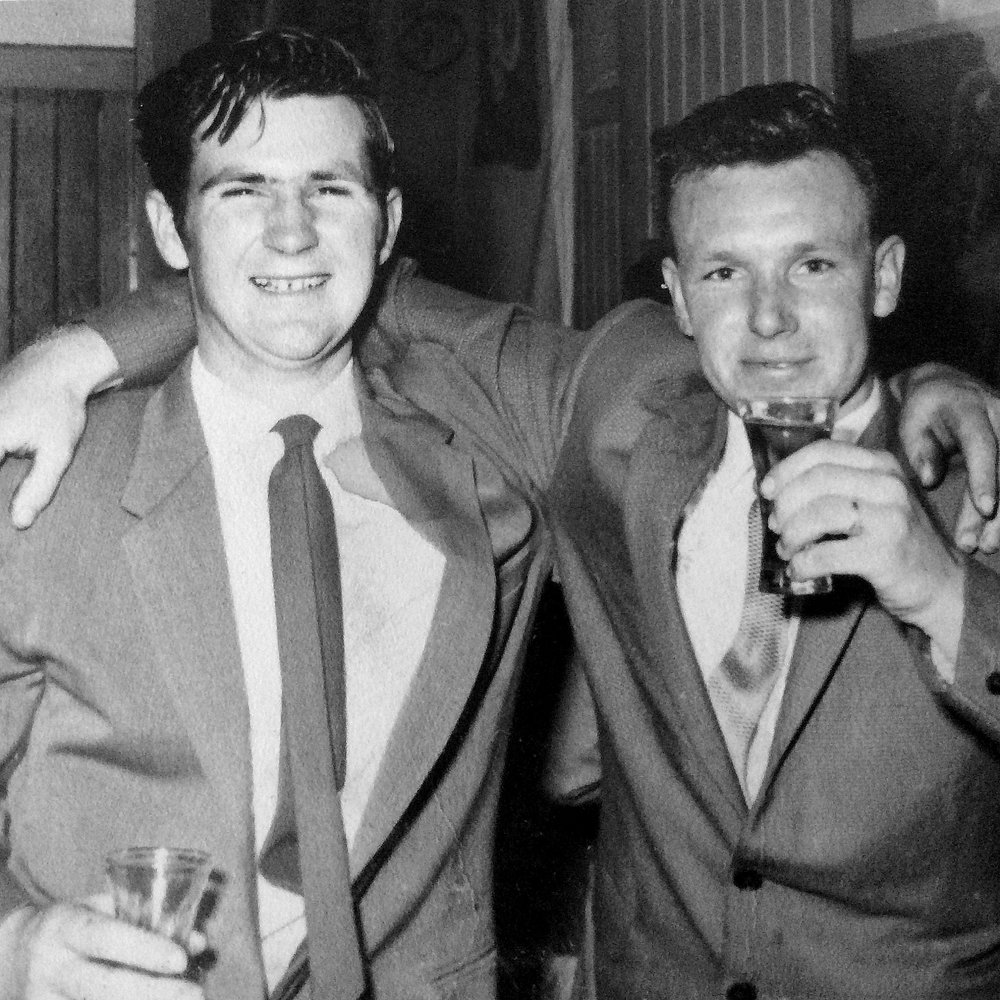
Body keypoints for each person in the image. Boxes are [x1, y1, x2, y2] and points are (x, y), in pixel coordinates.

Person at [4, 74, 1000, 1000]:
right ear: (678, 294)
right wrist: (79, 352)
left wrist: (942, 589)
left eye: (814, 264)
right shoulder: (609, 409)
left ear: (883, 276)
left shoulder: (979, 470)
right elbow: (329, 280)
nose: (771, 317)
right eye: (725, 270)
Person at [0, 28, 570, 1000]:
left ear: (387, 224)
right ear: (170, 229)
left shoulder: (493, 464)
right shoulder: (47, 487)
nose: (293, 230)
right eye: (243, 191)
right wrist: (12, 951)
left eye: (329, 189)